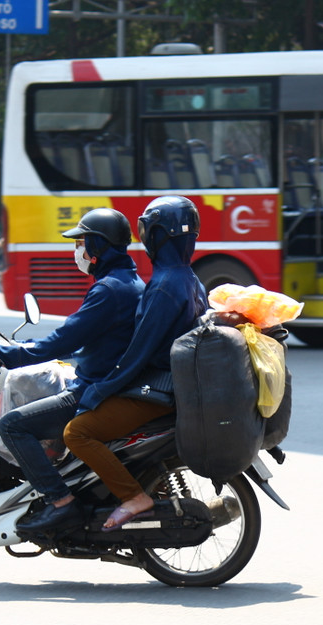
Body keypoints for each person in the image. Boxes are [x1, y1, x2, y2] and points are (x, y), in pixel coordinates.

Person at [0, 208, 144, 534]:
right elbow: (79, 339)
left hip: (95, 388)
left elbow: (61, 340)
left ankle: (60, 501)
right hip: (109, 380)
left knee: (14, 426)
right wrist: (23, 346)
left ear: (97, 246)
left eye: (82, 242)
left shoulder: (108, 290)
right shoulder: (129, 282)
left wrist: (1, 352)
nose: (78, 251)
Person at [62, 196, 208, 531]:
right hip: (170, 383)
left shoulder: (163, 286)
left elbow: (137, 354)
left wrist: (99, 391)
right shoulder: (188, 278)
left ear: (155, 235)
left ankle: (132, 497)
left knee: (78, 432)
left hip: (156, 389)